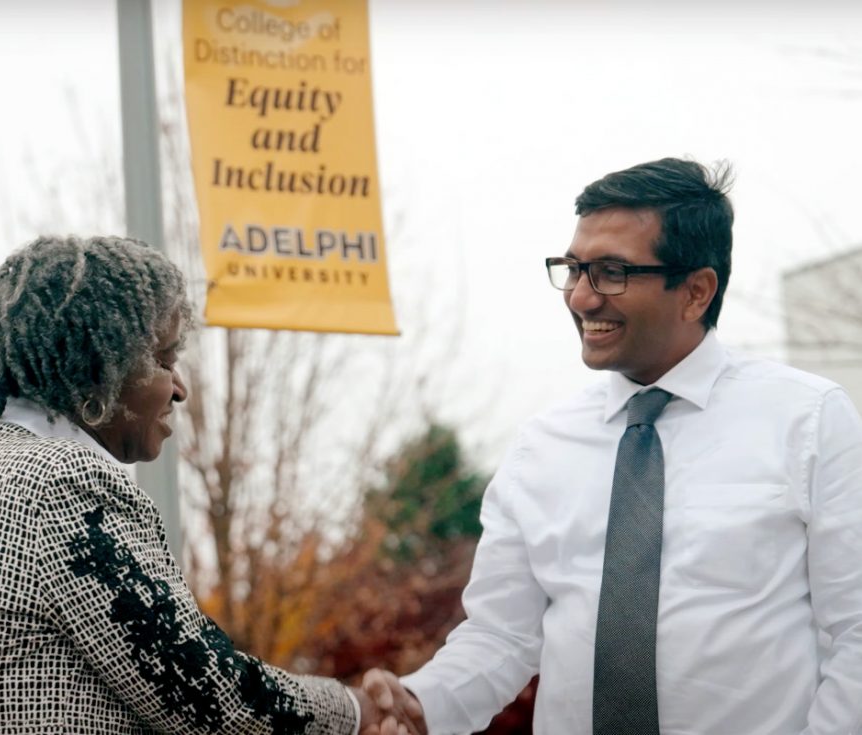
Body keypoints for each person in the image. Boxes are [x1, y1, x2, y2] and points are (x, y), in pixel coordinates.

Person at [363, 158, 862, 733]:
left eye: (610, 272)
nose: (580, 297)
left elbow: (854, 632)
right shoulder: (541, 448)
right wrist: (419, 703)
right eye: (573, 269)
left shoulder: (809, 420)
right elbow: (501, 636)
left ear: (696, 291)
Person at [0, 235, 422, 734]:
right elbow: (204, 692)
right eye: (163, 359)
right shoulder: (61, 483)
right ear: (97, 366)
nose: (179, 388)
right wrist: (357, 710)